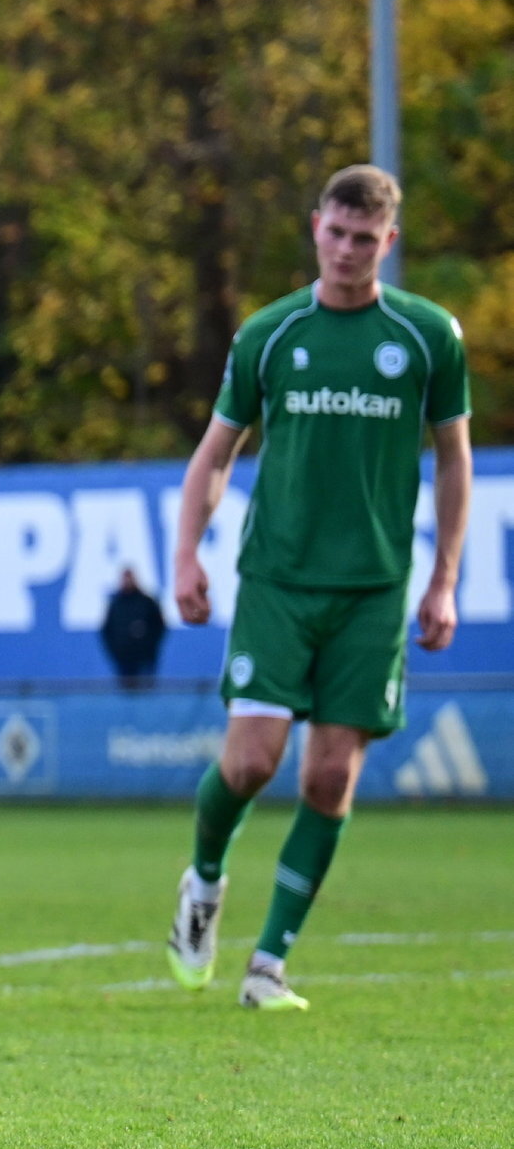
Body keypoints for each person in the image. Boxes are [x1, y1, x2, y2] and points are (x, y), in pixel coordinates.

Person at [166, 165, 469, 1011]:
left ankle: (268, 967)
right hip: (278, 580)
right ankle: (205, 881)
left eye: (364, 239)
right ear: (315, 229)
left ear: (389, 242)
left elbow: (453, 457)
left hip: (373, 589)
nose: (346, 250)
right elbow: (215, 455)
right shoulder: (271, 334)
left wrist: (443, 578)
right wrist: (187, 555)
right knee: (254, 760)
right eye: (336, 233)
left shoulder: (426, 337)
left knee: (330, 779)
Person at [100, 567, 166, 690]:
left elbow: (160, 627)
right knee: (127, 697)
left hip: (145, 659)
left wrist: (150, 647)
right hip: (124, 660)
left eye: (130, 578)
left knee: (146, 693)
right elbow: (106, 631)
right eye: (125, 578)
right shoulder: (116, 605)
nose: (128, 581)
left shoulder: (147, 602)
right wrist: (117, 651)